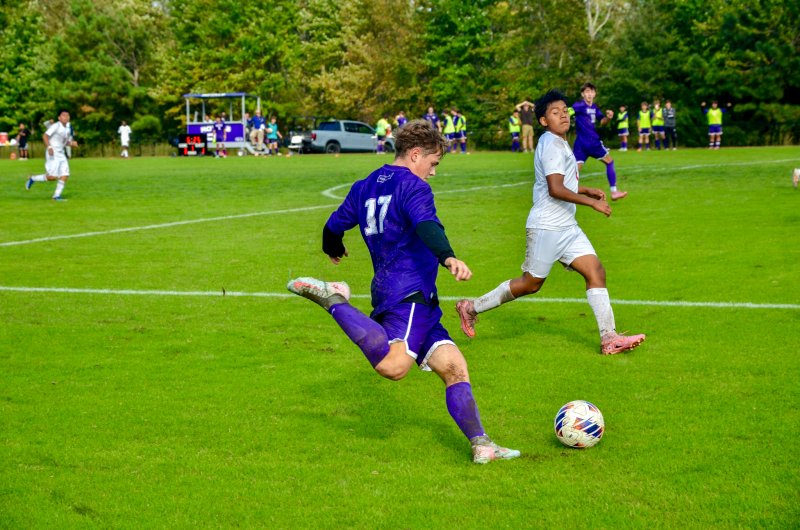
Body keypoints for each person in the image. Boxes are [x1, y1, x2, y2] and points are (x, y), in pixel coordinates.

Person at [286, 119, 520, 465]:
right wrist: (448, 256)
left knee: (454, 366)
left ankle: (482, 445)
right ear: (415, 155)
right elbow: (427, 224)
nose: (434, 172)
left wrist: (332, 247)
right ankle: (333, 300)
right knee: (394, 366)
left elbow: (332, 226)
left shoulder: (365, 185)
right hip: (409, 294)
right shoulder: (414, 187)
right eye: (434, 163)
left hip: (396, 293)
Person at [455, 90, 646, 355]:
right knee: (531, 283)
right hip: (546, 225)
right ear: (544, 121)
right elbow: (555, 188)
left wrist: (586, 189)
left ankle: (609, 338)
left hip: (567, 226)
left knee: (595, 272)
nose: (563, 115)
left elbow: (564, 180)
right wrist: (592, 203)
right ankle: (471, 307)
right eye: (555, 113)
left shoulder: (559, 142)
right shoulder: (551, 144)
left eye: (565, 110)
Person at [570, 82, 627, 201]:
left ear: (595, 94)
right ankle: (614, 192)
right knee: (610, 162)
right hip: (591, 142)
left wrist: (609, 117)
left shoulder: (595, 108)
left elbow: (602, 122)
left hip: (580, 144)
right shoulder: (579, 106)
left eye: (591, 91)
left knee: (574, 171)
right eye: (587, 92)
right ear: (582, 94)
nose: (589, 94)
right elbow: (568, 111)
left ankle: (562, 192)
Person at [25, 110, 77, 201]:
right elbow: (45, 136)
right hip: (53, 153)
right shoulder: (56, 126)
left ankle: (56, 196)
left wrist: (71, 143)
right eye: (63, 115)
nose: (66, 117)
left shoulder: (68, 129)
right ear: (59, 118)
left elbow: (63, 142)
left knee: (65, 175)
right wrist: (49, 147)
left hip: (61, 153)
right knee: (52, 177)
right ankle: (33, 178)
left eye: (67, 115)